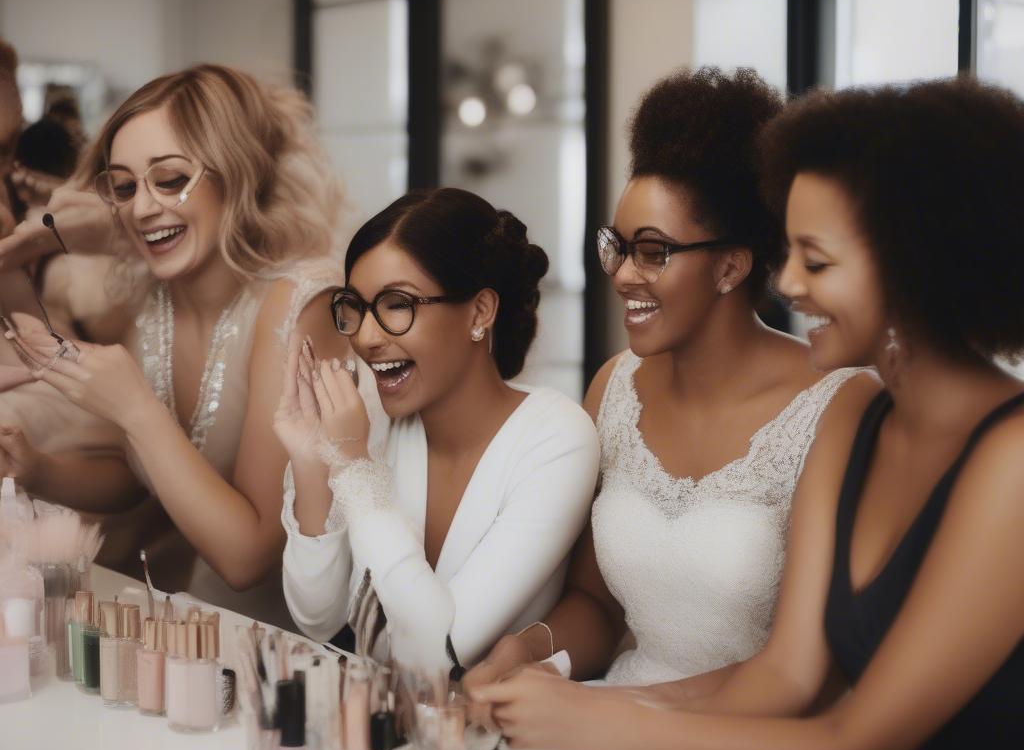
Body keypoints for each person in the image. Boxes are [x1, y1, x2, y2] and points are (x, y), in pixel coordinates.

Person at [472, 77, 1024, 750]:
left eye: (816, 259)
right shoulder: (872, 424)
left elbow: (849, 744)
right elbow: (789, 672)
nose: (790, 283)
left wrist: (597, 722)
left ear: (915, 264)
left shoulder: (1002, 453)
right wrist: (565, 691)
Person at [466, 68, 862, 695]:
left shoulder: (836, 404)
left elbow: (811, 670)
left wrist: (598, 718)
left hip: (745, 744)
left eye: (651, 252)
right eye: (616, 246)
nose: (622, 274)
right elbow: (596, 607)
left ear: (731, 265)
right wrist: (523, 652)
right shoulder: (613, 387)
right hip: (610, 710)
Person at [2, 64, 347, 627]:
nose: (141, 208)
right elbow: (138, 473)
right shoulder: (153, 301)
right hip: (196, 624)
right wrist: (37, 468)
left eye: (168, 180)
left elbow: (250, 558)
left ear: (235, 173)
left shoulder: (298, 305)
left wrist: (136, 407)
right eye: (124, 186)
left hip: (299, 641)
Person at [278, 187, 600, 670]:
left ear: (479, 312)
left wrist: (353, 469)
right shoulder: (372, 428)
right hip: (377, 729)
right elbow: (316, 618)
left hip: (482, 737)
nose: (366, 337)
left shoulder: (556, 438)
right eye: (357, 307)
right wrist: (310, 460)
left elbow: (436, 653)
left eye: (397, 304)